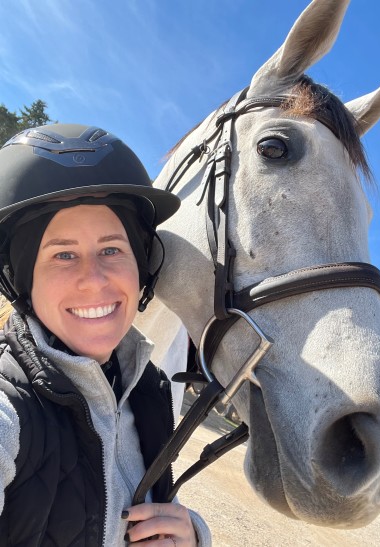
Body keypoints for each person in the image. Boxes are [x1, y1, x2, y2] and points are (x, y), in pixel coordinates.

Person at [0, 124, 211, 546]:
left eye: (112, 249)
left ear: (143, 268)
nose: (93, 280)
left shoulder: (147, 390)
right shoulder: (10, 411)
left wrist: (192, 536)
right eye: (63, 254)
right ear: (23, 282)